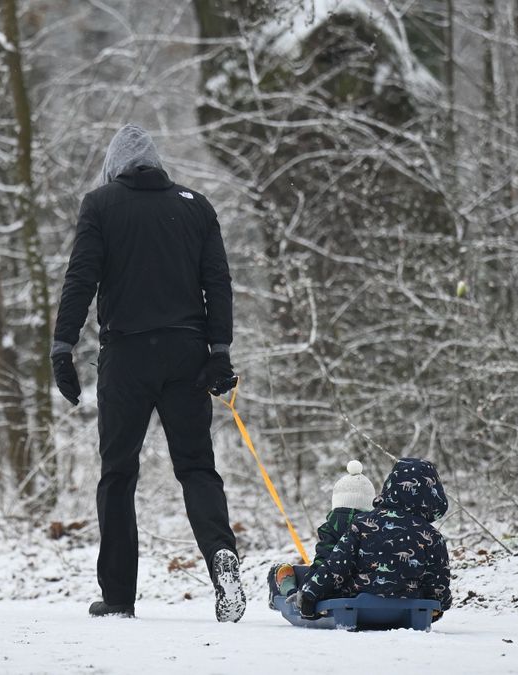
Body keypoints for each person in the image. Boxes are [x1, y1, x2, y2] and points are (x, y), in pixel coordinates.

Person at [50, 124, 245, 622]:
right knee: (197, 467)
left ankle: (118, 597)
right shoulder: (196, 205)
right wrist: (218, 350)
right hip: (187, 354)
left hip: (128, 356)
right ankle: (223, 561)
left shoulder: (101, 205)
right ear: (157, 165)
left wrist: (62, 344)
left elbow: (82, 277)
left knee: (118, 474)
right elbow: (217, 283)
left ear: (115, 167)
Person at [275, 458, 453, 621]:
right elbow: (438, 581)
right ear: (433, 496)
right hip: (407, 610)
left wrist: (310, 594)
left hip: (358, 607)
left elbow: (336, 567)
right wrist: (438, 604)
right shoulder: (432, 536)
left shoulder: (363, 524)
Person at [267, 460, 376, 604]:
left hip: (332, 590)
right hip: (368, 588)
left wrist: (307, 589)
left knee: (285, 571)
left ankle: (289, 592)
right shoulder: (376, 528)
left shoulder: (332, 528)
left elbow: (323, 562)